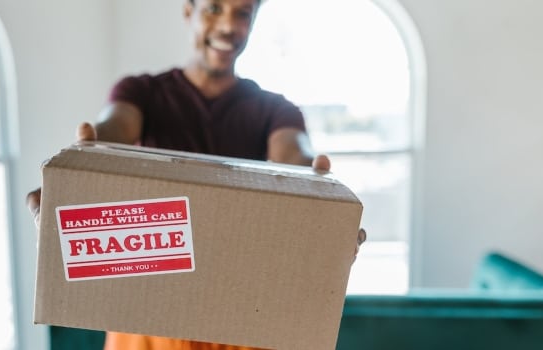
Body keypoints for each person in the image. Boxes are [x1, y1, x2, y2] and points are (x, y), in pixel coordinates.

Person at [27, 0, 366, 349]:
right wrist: (77, 171)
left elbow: (294, 157)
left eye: (242, 13)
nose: (227, 26)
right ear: (188, 12)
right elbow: (115, 129)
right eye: (213, 8)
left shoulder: (275, 110)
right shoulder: (141, 93)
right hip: (149, 322)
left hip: (243, 324)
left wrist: (326, 209)